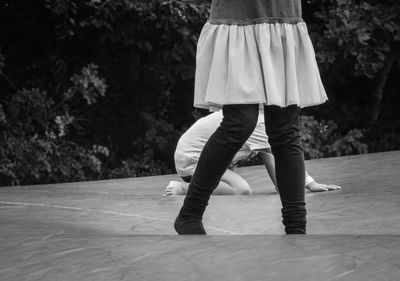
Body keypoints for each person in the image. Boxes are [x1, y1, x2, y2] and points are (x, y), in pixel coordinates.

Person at [174, 0, 328, 235]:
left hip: (281, 18)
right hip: (240, 19)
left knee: (285, 128)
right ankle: (190, 213)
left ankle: (297, 228)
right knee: (240, 122)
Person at [165, 111, 340, 196]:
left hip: (196, 159)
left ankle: (194, 185)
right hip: (192, 162)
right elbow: (278, 155)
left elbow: (271, 158)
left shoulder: (256, 118)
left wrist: (286, 185)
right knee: (242, 190)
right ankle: (183, 188)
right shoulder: (259, 122)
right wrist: (310, 184)